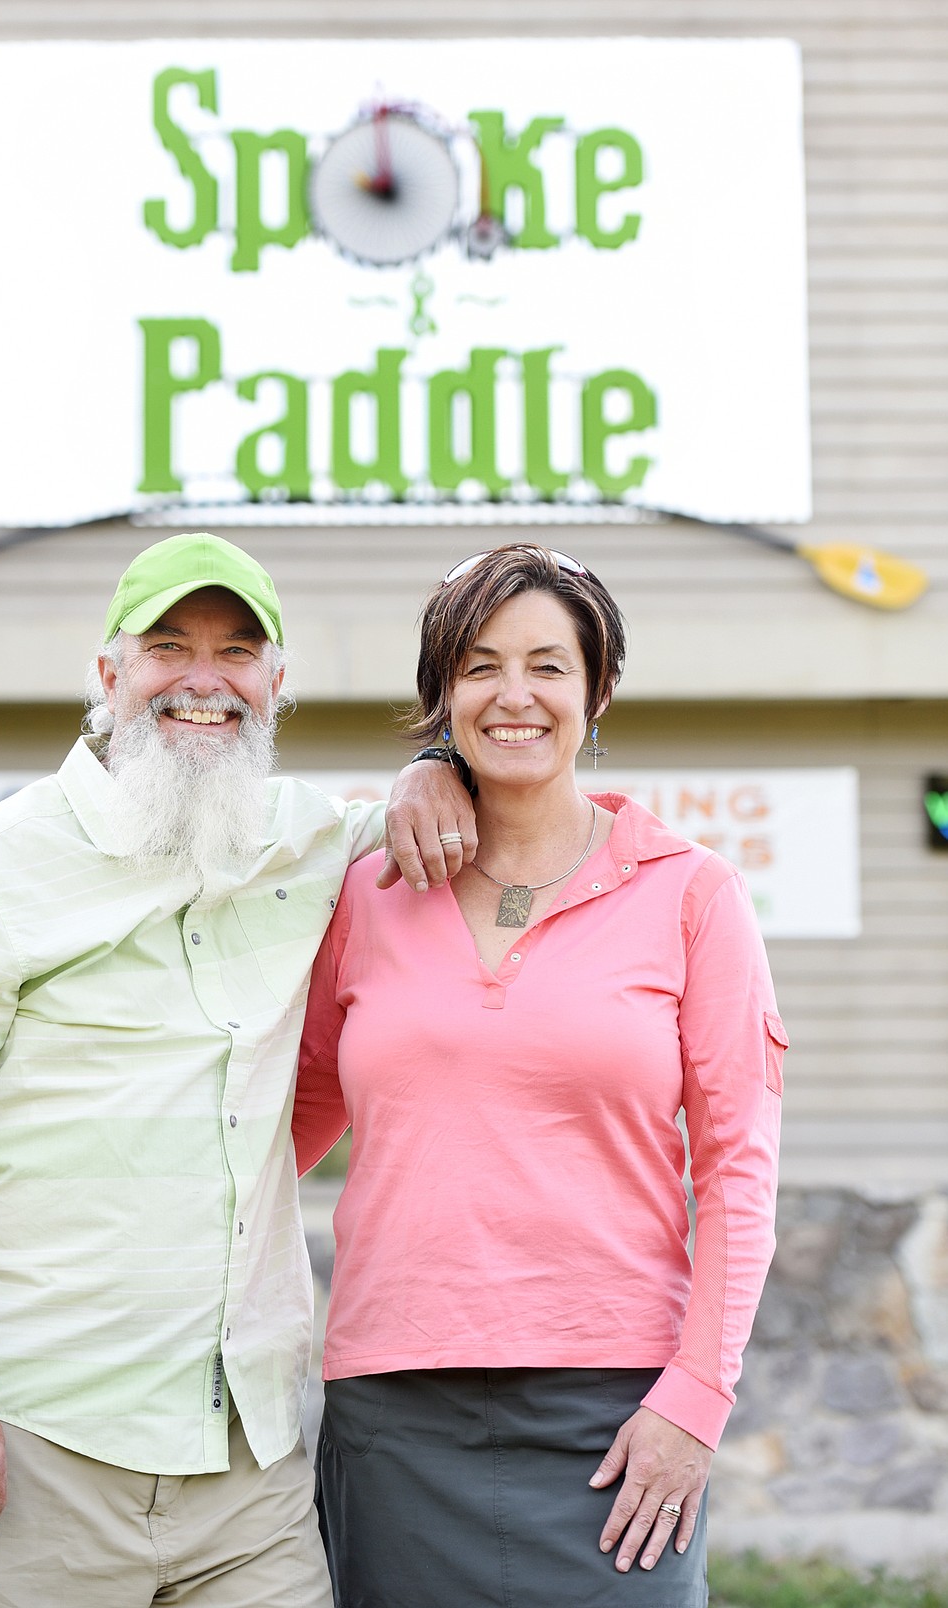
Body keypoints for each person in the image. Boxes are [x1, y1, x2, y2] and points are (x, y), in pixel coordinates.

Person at [0, 531, 475, 1608]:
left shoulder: (311, 842)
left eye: (238, 652)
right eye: (167, 645)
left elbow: (459, 818)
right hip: (28, 1445)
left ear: (276, 684)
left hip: (250, 1471)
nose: (203, 679)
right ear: (109, 675)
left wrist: (435, 765)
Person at [294, 543, 786, 1608]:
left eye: (548, 666)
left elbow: (742, 1172)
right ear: (442, 697)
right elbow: (290, 1121)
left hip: (619, 1414)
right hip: (395, 1408)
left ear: (598, 688)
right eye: (478, 665)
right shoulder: (364, 892)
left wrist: (696, 1398)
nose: (513, 694)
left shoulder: (692, 895)